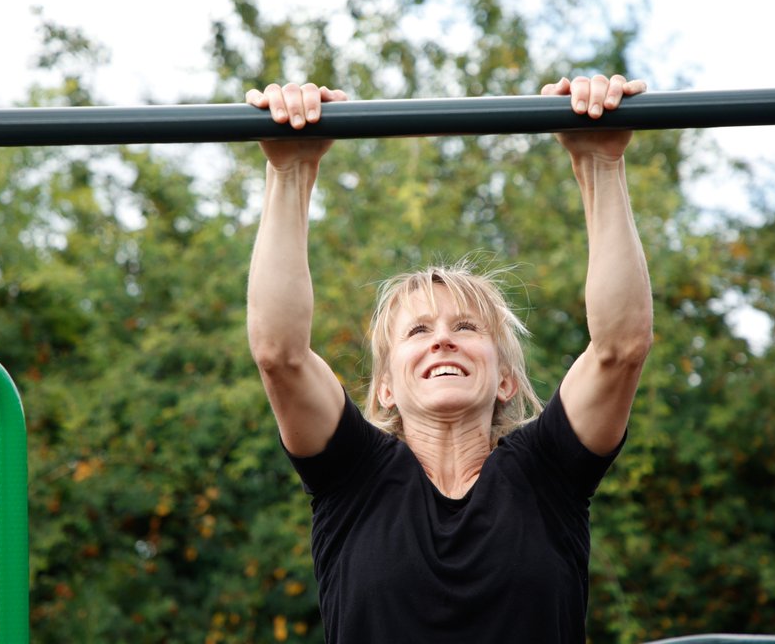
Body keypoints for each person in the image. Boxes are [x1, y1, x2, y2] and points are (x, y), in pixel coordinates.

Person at [245, 76, 653, 643]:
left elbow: (620, 348)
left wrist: (600, 162)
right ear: (385, 387)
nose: (442, 340)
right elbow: (279, 354)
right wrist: (289, 173)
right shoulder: (353, 478)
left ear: (506, 379)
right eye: (418, 330)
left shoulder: (548, 474)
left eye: (466, 327)